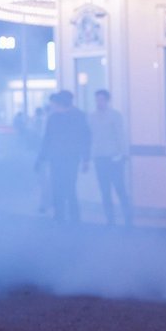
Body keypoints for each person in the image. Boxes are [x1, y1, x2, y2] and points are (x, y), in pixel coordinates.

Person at [36, 91, 90, 223]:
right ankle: (66, 216)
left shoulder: (72, 117)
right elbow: (48, 139)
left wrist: (41, 157)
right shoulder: (72, 116)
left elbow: (85, 138)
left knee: (67, 186)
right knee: (62, 186)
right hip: (64, 157)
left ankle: (67, 216)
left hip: (65, 157)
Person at [89, 89, 132, 227]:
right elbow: (91, 137)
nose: (99, 102)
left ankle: (128, 219)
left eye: (101, 99)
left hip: (114, 157)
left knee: (120, 189)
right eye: (97, 99)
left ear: (107, 100)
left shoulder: (115, 115)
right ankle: (110, 220)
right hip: (99, 157)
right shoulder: (92, 116)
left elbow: (121, 135)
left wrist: (124, 154)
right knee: (104, 190)